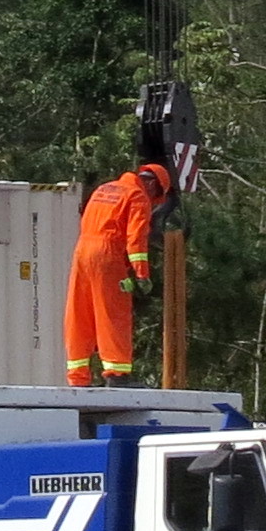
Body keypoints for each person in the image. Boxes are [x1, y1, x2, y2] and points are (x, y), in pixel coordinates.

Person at [65, 157, 174, 386]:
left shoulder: (104, 189)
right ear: (152, 185)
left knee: (80, 313)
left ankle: (78, 376)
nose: (152, 202)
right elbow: (136, 240)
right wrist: (142, 274)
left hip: (82, 251)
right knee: (113, 313)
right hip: (107, 255)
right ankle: (117, 375)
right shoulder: (137, 196)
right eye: (155, 197)